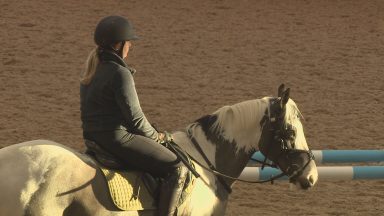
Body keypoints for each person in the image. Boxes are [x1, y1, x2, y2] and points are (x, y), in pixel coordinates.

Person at [80, 15, 188, 216]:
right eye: (128, 42)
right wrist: (158, 137)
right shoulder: (120, 73)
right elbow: (136, 120)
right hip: (117, 139)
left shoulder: (93, 68)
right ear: (119, 45)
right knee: (177, 168)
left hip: (93, 138)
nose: (130, 46)